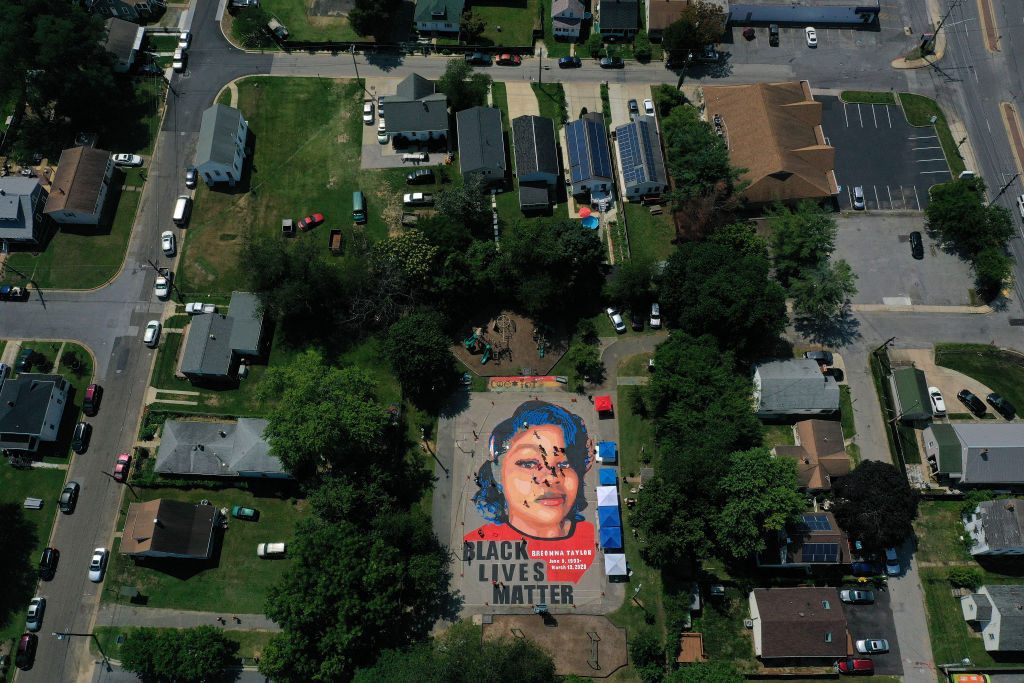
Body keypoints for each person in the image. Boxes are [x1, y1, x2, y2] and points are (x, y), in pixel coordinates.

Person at [470, 400, 593, 540]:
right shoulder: (476, 540)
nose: (552, 478)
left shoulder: (594, 534)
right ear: (497, 473)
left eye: (564, 464)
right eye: (529, 464)